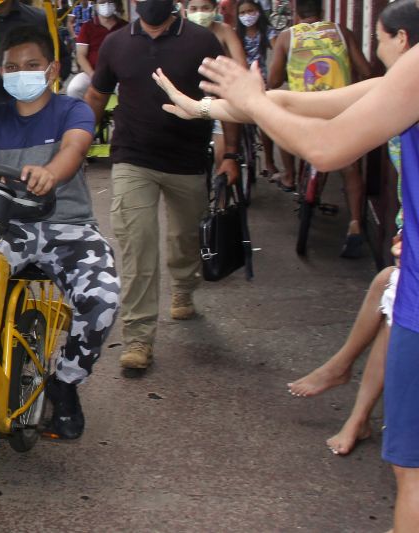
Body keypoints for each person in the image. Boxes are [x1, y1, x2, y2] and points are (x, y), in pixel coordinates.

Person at [152, 1, 419, 526]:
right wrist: (205, 108)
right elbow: (304, 102)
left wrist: (250, 98)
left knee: (412, 473)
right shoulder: (401, 80)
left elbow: (326, 146)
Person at [286, 0, 419, 456]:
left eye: (380, 40)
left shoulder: (409, 83)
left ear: (402, 39)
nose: (376, 49)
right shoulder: (393, 85)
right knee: (389, 297)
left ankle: (349, 390)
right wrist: (217, 104)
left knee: (392, 303)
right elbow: (299, 101)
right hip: (409, 234)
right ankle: (352, 398)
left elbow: (326, 146)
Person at [83, 0, 239, 376]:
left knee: (186, 236)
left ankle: (184, 284)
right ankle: (138, 338)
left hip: (187, 161)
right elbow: (97, 96)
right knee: (137, 244)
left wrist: (231, 154)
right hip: (132, 157)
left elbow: (227, 98)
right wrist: (77, 145)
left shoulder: (202, 41)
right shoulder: (116, 43)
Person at [0, 25, 120, 439]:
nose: (20, 73)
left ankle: (66, 381)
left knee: (103, 299)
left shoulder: (72, 110)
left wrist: (50, 173)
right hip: (9, 227)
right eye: (11, 67)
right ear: (0, 71)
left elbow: (73, 150)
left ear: (53, 69)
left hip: (69, 227)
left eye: (31, 65)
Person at [267, 0, 371, 258]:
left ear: (296, 12)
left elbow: (274, 80)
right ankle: (355, 223)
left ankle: (289, 175)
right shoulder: (341, 32)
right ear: (322, 11)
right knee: (351, 167)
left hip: (305, 113)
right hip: (341, 111)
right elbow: (366, 71)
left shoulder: (287, 37)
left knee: (280, 125)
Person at [185, 0, 246, 171]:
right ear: (185, 11)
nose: (199, 13)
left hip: (221, 95)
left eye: (205, 8)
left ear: (215, 10)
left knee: (222, 154)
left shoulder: (225, 31)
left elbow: (241, 66)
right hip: (191, 95)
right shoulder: (181, 33)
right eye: (194, 9)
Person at [236, 0, 279, 178]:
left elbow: (278, 50)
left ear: (258, 12)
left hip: (262, 81)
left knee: (265, 122)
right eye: (242, 13)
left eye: (250, 11)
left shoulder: (267, 31)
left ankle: (269, 162)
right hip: (240, 81)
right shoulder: (235, 34)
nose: (247, 15)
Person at [66, 0, 127, 100]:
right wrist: (93, 75)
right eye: (102, 2)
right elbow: (80, 55)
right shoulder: (87, 27)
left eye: (110, 1)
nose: (106, 5)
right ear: (96, 5)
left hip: (120, 74)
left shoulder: (125, 26)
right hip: (92, 73)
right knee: (74, 88)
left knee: (129, 92)